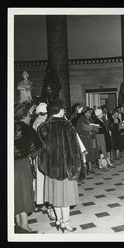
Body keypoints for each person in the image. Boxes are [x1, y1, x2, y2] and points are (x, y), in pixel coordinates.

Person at [37, 98, 86, 233]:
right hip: (65, 170)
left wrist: (45, 166)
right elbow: (75, 151)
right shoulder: (68, 126)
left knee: (55, 197)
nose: (64, 110)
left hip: (51, 169)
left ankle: (58, 220)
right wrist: (78, 169)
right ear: (59, 110)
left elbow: (41, 151)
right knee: (65, 198)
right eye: (63, 108)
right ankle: (66, 222)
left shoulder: (43, 127)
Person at [14, 103, 42, 233]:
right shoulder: (27, 130)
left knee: (15, 194)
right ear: (24, 116)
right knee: (24, 193)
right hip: (22, 165)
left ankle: (18, 224)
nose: (31, 117)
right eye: (29, 115)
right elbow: (35, 151)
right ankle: (25, 226)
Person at [31, 102, 57, 220]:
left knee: (40, 180)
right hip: (44, 155)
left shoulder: (36, 121)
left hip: (39, 155)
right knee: (46, 180)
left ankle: (41, 202)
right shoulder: (42, 123)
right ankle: (50, 206)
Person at [76, 107, 100, 175]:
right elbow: (79, 130)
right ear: (85, 113)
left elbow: (93, 127)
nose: (90, 114)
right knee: (86, 154)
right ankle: (86, 168)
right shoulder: (80, 120)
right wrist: (87, 131)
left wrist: (95, 128)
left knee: (92, 153)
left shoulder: (90, 119)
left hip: (91, 138)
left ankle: (90, 167)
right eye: (89, 112)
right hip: (85, 139)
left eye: (90, 112)